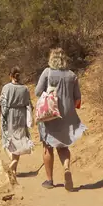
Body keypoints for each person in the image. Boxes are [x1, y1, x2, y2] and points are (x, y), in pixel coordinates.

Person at [35, 48, 86, 191]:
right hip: (67, 117)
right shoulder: (72, 75)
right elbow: (78, 99)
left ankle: (49, 180)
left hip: (50, 115)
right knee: (63, 146)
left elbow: (38, 92)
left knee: (47, 147)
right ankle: (66, 168)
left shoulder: (47, 72)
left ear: (52, 59)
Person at [0, 67, 34, 181]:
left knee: (7, 139)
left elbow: (1, 104)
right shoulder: (25, 88)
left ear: (10, 75)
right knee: (18, 139)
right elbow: (30, 104)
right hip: (21, 116)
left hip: (9, 116)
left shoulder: (6, 88)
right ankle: (14, 171)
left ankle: (12, 160)